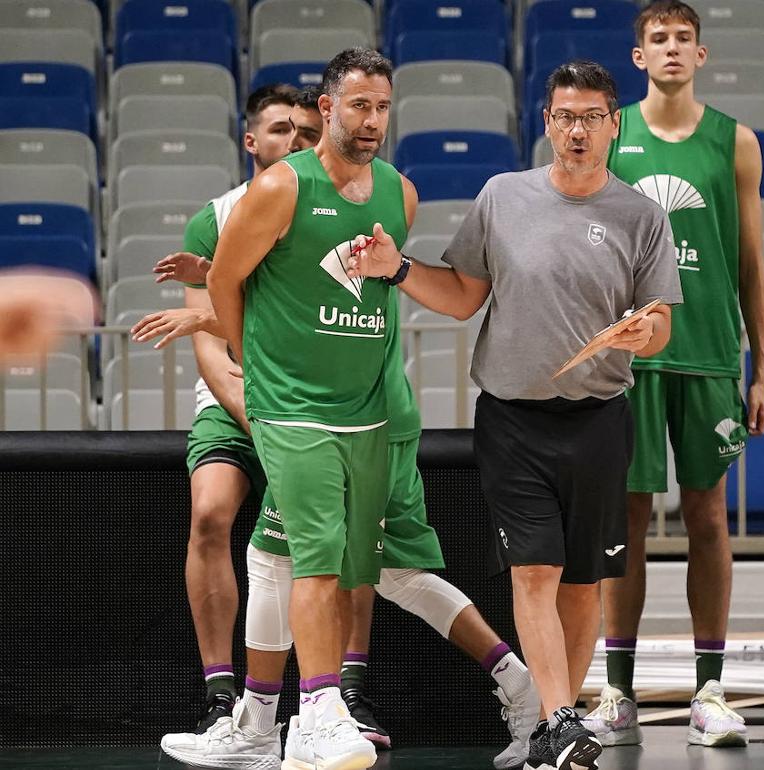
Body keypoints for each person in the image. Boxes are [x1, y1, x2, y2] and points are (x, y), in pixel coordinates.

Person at [348, 59, 683, 770]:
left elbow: (661, 324)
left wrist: (641, 333)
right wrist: (398, 270)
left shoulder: (640, 215)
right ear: (547, 124)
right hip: (513, 420)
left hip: (599, 420)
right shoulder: (503, 196)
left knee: (585, 580)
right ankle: (558, 718)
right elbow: (466, 294)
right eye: (565, 117)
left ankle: (554, 724)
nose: (578, 130)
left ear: (614, 124)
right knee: (535, 569)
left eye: (592, 117)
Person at [204, 47, 417, 770]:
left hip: (363, 408)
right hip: (291, 405)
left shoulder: (400, 193)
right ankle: (318, 712)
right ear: (326, 109)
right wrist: (254, 363)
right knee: (317, 562)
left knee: (279, 557)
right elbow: (224, 280)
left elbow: (386, 292)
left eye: (382, 106)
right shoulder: (279, 188)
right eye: (359, 105)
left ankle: (255, 725)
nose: (372, 120)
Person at [584, 0, 764, 749]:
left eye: (682, 39)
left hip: (709, 354)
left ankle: (710, 688)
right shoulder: (609, 132)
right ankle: (618, 692)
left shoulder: (736, 143)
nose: (669, 48)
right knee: (623, 520)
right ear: (638, 57)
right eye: (656, 38)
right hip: (628, 361)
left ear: (701, 55)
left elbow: (752, 262)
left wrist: (759, 366)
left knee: (708, 518)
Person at [146, 83, 318, 734]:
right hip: (238, 399)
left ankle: (338, 693)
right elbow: (211, 349)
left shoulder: (333, 215)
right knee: (211, 514)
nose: (294, 142)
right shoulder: (213, 220)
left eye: (306, 133)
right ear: (252, 141)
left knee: (335, 545)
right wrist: (266, 421)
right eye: (280, 130)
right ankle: (221, 695)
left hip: (315, 401)